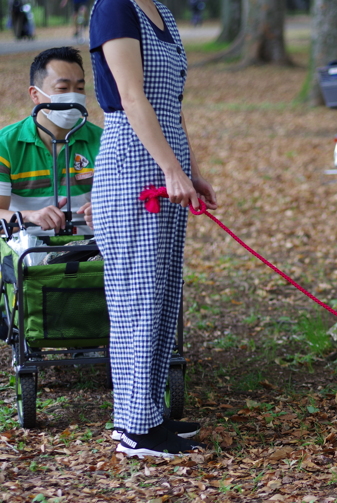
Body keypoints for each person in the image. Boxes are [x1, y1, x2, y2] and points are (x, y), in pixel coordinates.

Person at [90, 0, 217, 457]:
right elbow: (131, 96)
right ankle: (133, 429)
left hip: (167, 164)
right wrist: (170, 167)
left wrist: (191, 169)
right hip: (131, 167)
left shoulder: (160, 10)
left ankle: (149, 413)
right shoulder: (114, 9)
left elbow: (173, 104)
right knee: (137, 296)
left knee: (163, 293)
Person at [0, 47, 99, 234]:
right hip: (24, 256)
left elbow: (130, 204)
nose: (73, 97)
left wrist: (108, 214)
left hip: (89, 255)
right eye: (62, 88)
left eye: (79, 88)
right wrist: (29, 216)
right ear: (34, 94)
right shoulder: (5, 144)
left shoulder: (104, 142)